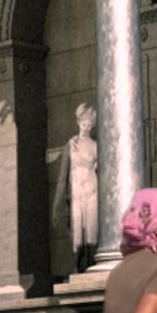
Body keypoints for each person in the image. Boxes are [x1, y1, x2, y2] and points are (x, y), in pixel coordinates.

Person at [54, 102, 100, 274]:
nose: (86, 126)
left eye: (90, 123)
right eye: (84, 122)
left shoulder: (95, 146)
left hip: (91, 191)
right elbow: (62, 177)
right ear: (78, 122)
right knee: (76, 235)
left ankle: (89, 267)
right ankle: (77, 267)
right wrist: (56, 206)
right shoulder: (71, 144)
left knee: (91, 232)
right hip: (76, 194)